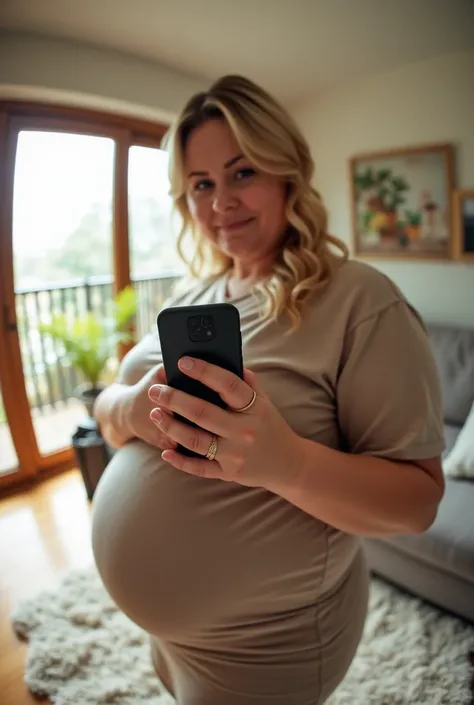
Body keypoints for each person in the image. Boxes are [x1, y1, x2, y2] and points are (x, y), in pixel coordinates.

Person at [91, 75, 445, 705]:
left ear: (287, 175)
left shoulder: (360, 301)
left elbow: (416, 504)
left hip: (267, 646)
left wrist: (286, 463)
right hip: (172, 638)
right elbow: (107, 409)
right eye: (200, 184)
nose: (219, 202)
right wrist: (128, 410)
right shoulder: (190, 300)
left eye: (242, 172)